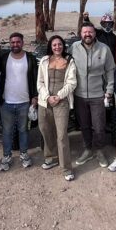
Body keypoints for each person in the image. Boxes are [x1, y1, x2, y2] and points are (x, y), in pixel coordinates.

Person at [70, 24, 116, 168]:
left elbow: (110, 71)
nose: (87, 34)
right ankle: (88, 149)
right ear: (80, 34)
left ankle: (99, 150)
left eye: (90, 31)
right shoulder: (74, 47)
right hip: (79, 94)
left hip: (98, 95)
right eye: (85, 32)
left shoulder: (104, 49)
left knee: (99, 126)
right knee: (84, 125)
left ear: (95, 33)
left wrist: (109, 91)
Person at [37, 35, 78, 181]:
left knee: (61, 135)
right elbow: (40, 82)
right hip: (45, 101)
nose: (57, 47)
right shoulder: (44, 61)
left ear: (63, 46)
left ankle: (66, 167)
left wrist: (58, 96)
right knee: (45, 130)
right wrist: (47, 97)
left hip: (62, 101)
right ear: (50, 46)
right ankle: (51, 157)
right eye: (54, 45)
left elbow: (72, 83)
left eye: (59, 44)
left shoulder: (69, 62)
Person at [0, 32, 38, 171]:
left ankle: (24, 154)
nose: (15, 44)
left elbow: (35, 78)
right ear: (10, 43)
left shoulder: (30, 58)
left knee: (23, 130)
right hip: (6, 102)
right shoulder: (3, 58)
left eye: (18, 42)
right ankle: (6, 156)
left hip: (25, 102)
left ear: (22, 42)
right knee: (7, 131)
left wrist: (35, 96)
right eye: (12, 42)